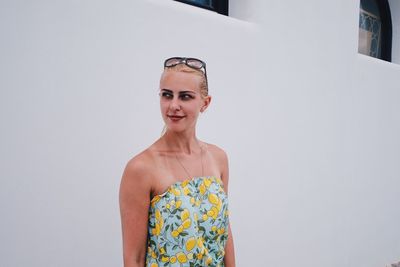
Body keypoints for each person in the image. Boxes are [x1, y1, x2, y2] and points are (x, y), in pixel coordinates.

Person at [119, 57, 235, 267]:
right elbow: (133, 259)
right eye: (166, 95)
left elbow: (224, 233)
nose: (173, 105)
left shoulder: (219, 158)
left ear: (205, 103)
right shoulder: (141, 169)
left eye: (185, 97)